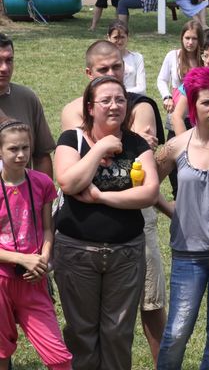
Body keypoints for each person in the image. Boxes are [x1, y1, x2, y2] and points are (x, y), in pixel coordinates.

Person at [60, 40, 167, 367]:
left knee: (118, 333)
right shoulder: (72, 140)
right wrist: (100, 148)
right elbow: (68, 182)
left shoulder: (137, 144)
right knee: (81, 332)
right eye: (105, 100)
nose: (114, 106)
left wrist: (101, 197)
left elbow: (148, 192)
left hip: (125, 252)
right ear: (90, 107)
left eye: (120, 100)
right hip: (77, 252)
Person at [155, 67, 209, 369]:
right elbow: (149, 185)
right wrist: (172, 211)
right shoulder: (176, 146)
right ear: (193, 105)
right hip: (187, 254)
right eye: (206, 102)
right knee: (177, 330)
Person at [0, 120, 72, 370]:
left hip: (34, 279)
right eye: (13, 149)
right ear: (0, 151)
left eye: (25, 147)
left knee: (59, 356)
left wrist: (43, 259)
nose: (21, 155)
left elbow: (48, 229)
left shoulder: (42, 183)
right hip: (2, 279)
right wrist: (21, 259)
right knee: (1, 352)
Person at [157, 20, 203, 198]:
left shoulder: (204, 59)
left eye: (194, 39)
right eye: (187, 38)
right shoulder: (173, 56)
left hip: (197, 114)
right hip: (177, 112)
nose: (190, 42)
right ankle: (177, 192)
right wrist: (166, 96)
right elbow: (162, 80)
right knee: (173, 151)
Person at [0, 33, 54, 178]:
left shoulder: (27, 98)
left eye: (9, 60)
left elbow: (41, 156)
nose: (4, 68)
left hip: (21, 191)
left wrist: (44, 191)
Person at [107, 20, 146, 95]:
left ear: (128, 37)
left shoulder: (137, 58)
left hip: (133, 98)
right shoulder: (103, 59)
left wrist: (120, 93)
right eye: (115, 37)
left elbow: (142, 89)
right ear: (109, 37)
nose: (119, 41)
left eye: (122, 37)